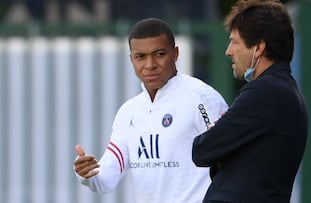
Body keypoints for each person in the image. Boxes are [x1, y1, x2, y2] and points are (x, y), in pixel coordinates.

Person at [73, 18, 228, 203]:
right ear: (131, 59)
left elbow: (231, 162)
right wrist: (88, 175)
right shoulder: (129, 112)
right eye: (140, 57)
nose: (150, 64)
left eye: (159, 54)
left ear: (175, 53)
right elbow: (106, 179)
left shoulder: (202, 98)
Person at [192, 0, 308, 202]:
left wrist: (221, 140)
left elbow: (202, 150)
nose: (229, 51)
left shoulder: (265, 92)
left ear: (258, 47)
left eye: (235, 42)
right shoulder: (284, 91)